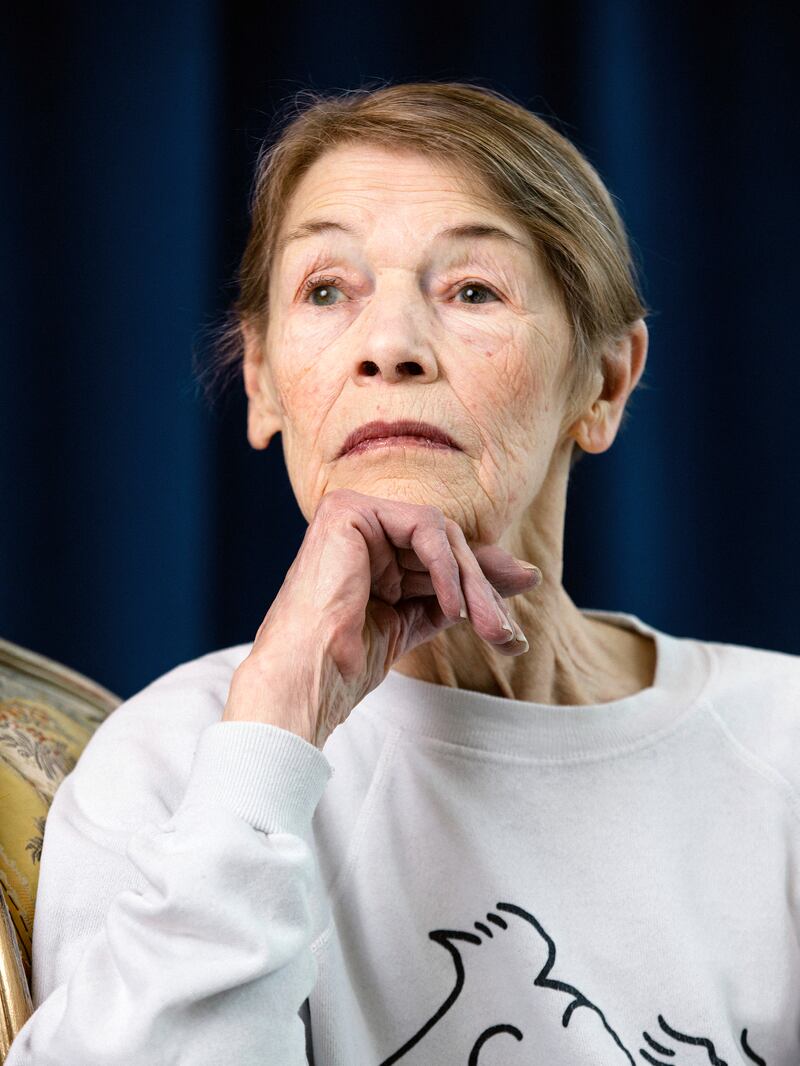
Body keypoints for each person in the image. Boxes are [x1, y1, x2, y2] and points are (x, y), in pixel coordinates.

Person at [8, 81, 800, 1065]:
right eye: (326, 290)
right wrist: (274, 731)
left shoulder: (781, 744)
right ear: (261, 382)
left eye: (470, 289)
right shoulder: (170, 767)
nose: (387, 347)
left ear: (602, 382)